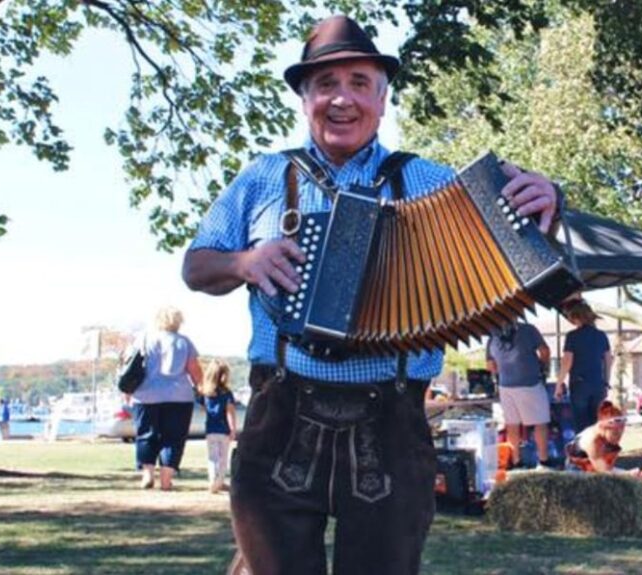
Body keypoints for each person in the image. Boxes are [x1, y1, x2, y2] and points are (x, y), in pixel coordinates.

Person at [181, 14, 564, 575]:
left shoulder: (430, 181)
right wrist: (244, 261)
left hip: (392, 416)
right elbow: (196, 266)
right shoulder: (264, 176)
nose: (342, 99)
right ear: (304, 97)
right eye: (326, 85)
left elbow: (521, 241)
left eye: (359, 83)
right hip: (281, 412)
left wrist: (548, 197)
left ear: (383, 100)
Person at [129, 306, 203, 491]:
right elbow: (194, 370)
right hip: (179, 396)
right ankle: (166, 479)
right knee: (174, 437)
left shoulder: (144, 338)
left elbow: (131, 365)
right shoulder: (184, 342)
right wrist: (201, 389)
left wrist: (128, 391)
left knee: (146, 434)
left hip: (146, 395)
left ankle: (147, 473)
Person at [486, 321, 554, 470]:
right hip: (530, 382)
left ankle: (516, 461)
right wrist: (543, 368)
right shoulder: (528, 329)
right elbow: (545, 351)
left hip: (506, 385)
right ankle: (543, 461)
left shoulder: (492, 334)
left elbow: (490, 366)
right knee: (540, 423)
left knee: (512, 424)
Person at [555, 300, 613, 433]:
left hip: (580, 383)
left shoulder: (573, 336)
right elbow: (608, 360)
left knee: (581, 423)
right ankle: (596, 451)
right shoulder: (601, 336)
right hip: (598, 383)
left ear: (575, 317)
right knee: (596, 422)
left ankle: (584, 452)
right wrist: (606, 381)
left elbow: (567, 361)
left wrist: (559, 384)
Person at [197, 359, 238, 494]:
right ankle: (218, 482)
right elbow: (230, 412)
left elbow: (203, 409)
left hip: (210, 430)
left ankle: (214, 481)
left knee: (212, 457)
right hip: (223, 430)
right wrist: (232, 429)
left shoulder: (205, 393)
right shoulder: (227, 394)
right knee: (222, 459)